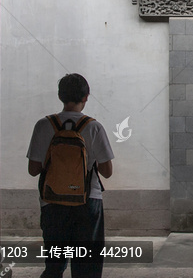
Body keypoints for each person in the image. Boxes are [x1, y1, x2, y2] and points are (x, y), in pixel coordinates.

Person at [27, 73, 114, 278]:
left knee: (55, 264)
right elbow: (107, 172)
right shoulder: (93, 127)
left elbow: (33, 169)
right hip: (88, 202)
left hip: (52, 202)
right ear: (86, 97)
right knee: (87, 266)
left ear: (60, 96)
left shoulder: (43, 125)